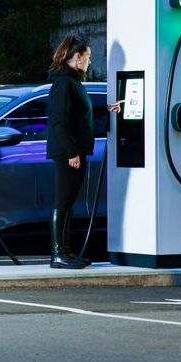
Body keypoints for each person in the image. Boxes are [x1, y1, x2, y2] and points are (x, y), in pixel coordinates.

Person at [46, 34, 121, 269]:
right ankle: (59, 253)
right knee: (63, 201)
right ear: (77, 57)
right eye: (88, 57)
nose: (90, 61)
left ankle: (66, 252)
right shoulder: (63, 83)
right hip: (68, 152)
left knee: (67, 202)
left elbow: (79, 116)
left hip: (75, 150)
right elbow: (59, 121)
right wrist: (71, 152)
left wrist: (106, 110)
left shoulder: (72, 82)